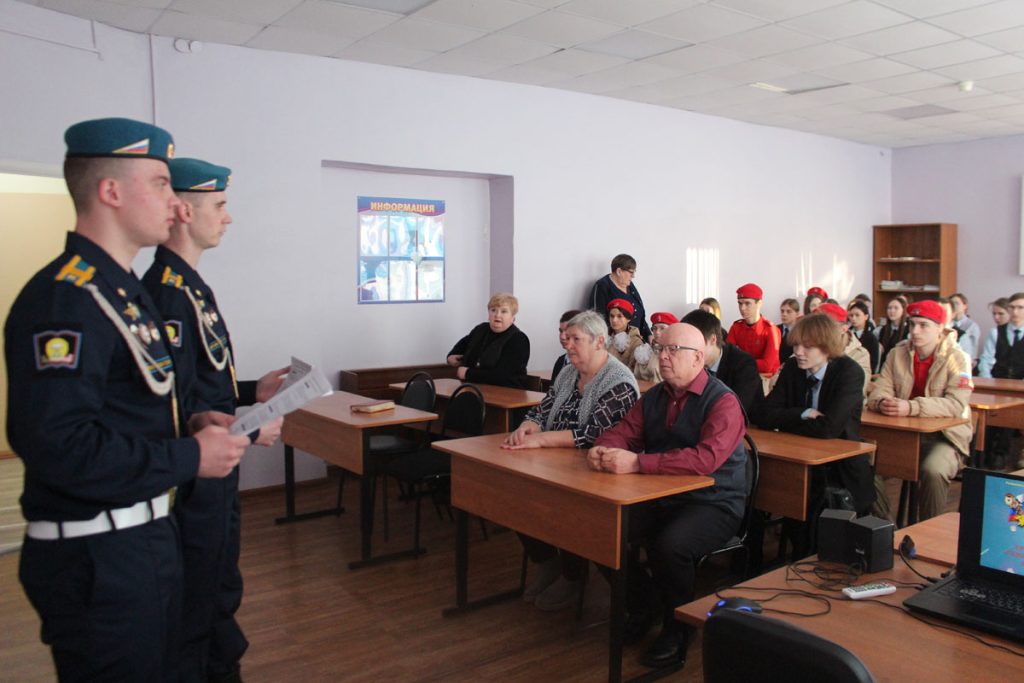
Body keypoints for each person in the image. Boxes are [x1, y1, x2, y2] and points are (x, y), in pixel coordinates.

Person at [4, 117, 251, 681]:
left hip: (142, 534)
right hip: (97, 552)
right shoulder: (66, 299)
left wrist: (195, 422)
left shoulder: (123, 293)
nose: (174, 202)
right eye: (160, 183)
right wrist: (190, 456)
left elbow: (135, 409)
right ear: (111, 191)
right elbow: (59, 444)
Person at [141, 158, 287, 683]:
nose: (228, 217)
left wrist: (250, 392)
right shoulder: (166, 293)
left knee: (219, 591)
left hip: (215, 472)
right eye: (219, 205)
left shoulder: (190, 287)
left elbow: (197, 383)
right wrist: (249, 426)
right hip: (194, 478)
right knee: (200, 606)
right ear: (185, 211)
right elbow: (169, 407)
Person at [589, 323, 747, 669]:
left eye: (674, 350)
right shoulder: (655, 397)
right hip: (663, 494)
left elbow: (705, 460)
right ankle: (645, 604)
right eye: (661, 349)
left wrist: (638, 463)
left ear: (698, 359)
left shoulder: (723, 401)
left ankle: (679, 629)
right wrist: (604, 447)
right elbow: (624, 432)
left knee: (670, 545)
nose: (663, 357)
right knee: (603, 531)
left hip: (714, 501)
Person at [502, 311, 639, 611]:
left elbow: (593, 435)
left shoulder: (619, 381)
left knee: (566, 509)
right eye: (566, 338)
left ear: (599, 342)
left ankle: (573, 575)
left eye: (576, 339)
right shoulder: (568, 372)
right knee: (515, 494)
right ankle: (547, 562)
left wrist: (541, 440)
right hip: (555, 462)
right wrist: (529, 426)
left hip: (594, 470)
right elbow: (543, 409)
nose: (568, 344)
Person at [754, 313, 873, 556]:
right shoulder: (792, 368)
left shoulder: (850, 372)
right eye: (796, 345)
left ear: (827, 348)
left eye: (807, 347)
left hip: (839, 466)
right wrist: (804, 413)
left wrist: (785, 421)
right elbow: (764, 415)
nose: (799, 352)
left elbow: (829, 429)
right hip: (797, 457)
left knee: (813, 503)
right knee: (759, 485)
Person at [868, 300, 973, 522]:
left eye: (923, 325)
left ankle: (929, 530)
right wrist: (883, 402)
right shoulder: (897, 354)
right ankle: (886, 528)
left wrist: (912, 407)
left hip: (945, 437)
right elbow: (879, 390)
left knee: (934, 470)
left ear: (940, 328)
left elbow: (956, 404)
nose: (915, 331)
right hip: (903, 434)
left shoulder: (958, 358)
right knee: (862, 463)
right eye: (912, 324)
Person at [682, 309, 762, 416]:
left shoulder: (744, 364)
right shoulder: (689, 363)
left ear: (713, 339)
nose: (688, 351)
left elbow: (735, 410)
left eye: (693, 344)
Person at [447, 293, 530, 388]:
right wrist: (451, 357)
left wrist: (468, 373)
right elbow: (460, 347)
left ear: (512, 318)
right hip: (474, 388)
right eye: (493, 310)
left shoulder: (519, 339)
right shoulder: (480, 330)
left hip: (507, 392)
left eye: (504, 311)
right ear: (488, 314)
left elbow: (502, 375)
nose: (497, 315)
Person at [589, 253, 651, 340]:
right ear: (619, 271)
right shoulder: (602, 286)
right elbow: (597, 319)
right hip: (616, 342)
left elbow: (639, 312)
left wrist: (649, 334)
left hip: (637, 338)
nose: (633, 276)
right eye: (631, 272)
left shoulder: (629, 284)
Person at [726, 282, 781, 375]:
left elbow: (767, 366)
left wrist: (739, 362)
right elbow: (727, 358)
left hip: (766, 378)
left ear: (759, 304)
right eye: (740, 303)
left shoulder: (771, 330)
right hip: (743, 376)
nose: (742, 308)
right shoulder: (736, 328)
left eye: (747, 303)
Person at [817, 303, 872, 395]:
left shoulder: (859, 354)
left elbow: (855, 390)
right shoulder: (804, 350)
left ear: (843, 329)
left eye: (825, 326)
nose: (818, 331)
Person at [978, 292, 1024, 380]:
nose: (1015, 312)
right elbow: (986, 359)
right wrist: (987, 380)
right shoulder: (995, 332)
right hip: (997, 381)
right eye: (1012, 307)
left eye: (1020, 307)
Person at [634, 312, 677, 383]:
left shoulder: (676, 353)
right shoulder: (645, 351)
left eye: (662, 328)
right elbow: (636, 376)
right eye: (654, 328)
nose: (657, 332)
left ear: (672, 330)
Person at [606, 298, 643, 371]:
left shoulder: (636, 342)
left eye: (619, 316)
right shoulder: (605, 337)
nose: (614, 320)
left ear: (628, 319)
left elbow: (634, 371)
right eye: (612, 316)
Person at [875, 294, 910, 371]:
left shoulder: (908, 329)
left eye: (896, 308)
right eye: (889, 308)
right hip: (885, 367)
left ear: (903, 310)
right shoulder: (883, 330)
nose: (892, 311)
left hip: (901, 367)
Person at [846, 300, 880, 373]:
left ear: (866, 317)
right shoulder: (846, 335)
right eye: (851, 315)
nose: (853, 318)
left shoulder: (871, 338)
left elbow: (873, 363)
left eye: (857, 315)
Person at [550, 309, 582, 383]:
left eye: (567, 331)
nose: (562, 337)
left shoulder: (588, 364)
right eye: (561, 331)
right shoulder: (561, 361)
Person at [949, 293, 980, 364]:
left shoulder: (972, 326)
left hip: (965, 361)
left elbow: (974, 347)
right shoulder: (947, 324)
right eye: (952, 303)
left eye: (957, 303)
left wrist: (972, 361)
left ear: (965, 306)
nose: (954, 306)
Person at [778, 298, 800, 365]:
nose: (784, 314)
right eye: (782, 311)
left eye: (788, 311)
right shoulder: (775, 329)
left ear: (797, 314)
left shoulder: (801, 332)